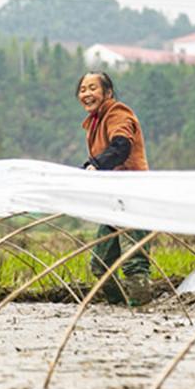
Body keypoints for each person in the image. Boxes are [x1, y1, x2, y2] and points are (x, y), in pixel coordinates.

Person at [76, 71, 151, 306]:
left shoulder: (117, 113)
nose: (86, 94)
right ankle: (119, 308)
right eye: (82, 89)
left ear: (107, 93)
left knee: (133, 262)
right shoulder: (95, 123)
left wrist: (95, 165)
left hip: (132, 196)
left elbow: (121, 147)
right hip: (112, 201)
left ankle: (141, 310)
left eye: (92, 88)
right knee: (100, 266)